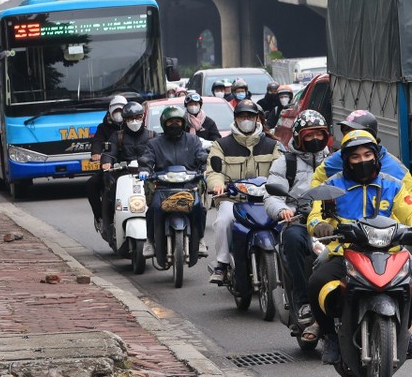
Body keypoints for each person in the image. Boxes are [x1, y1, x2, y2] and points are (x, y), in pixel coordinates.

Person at [306, 130, 412, 364]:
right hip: (344, 253)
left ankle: (407, 330)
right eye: (355, 157)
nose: (362, 160)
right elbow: (314, 216)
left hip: (388, 252)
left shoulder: (392, 185)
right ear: (346, 160)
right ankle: (330, 336)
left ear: (376, 156)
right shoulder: (331, 187)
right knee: (316, 282)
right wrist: (320, 225)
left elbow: (409, 211)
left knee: (411, 277)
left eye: (367, 154)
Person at [265, 109, 331, 345]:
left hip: (330, 224)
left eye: (319, 134)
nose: (314, 139)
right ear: (298, 137)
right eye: (309, 135)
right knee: (291, 240)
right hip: (299, 221)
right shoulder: (286, 162)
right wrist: (282, 209)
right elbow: (271, 193)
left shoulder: (334, 160)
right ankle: (303, 302)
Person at [204, 99, 281, 284]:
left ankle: (283, 262)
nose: (246, 119)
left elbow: (280, 170)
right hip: (233, 199)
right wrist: (217, 185)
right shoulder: (221, 145)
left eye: (250, 116)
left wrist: (280, 187)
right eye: (242, 116)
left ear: (257, 119)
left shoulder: (271, 145)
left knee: (283, 223)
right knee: (223, 221)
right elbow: (213, 170)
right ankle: (221, 264)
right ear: (236, 119)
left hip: (265, 199)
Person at [140, 106, 208, 269]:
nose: (174, 124)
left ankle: (199, 240)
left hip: (189, 186)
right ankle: (150, 240)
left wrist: (206, 167)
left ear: (184, 122)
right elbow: (147, 159)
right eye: (171, 121)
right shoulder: (154, 143)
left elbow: (201, 157)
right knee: (153, 208)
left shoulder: (193, 140)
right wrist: (144, 169)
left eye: (178, 121)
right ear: (164, 123)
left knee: (200, 208)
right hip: (163, 187)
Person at [310, 110, 412, 195]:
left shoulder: (395, 168)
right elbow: (318, 180)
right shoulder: (337, 159)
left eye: (367, 155)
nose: (349, 136)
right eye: (346, 131)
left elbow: (411, 203)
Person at [99, 102, 155, 243]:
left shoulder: (152, 136)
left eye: (137, 117)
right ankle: (108, 225)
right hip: (123, 175)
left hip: (147, 175)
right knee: (108, 190)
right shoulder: (117, 137)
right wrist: (107, 162)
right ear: (125, 120)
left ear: (143, 117)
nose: (134, 122)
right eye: (130, 119)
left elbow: (160, 154)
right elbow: (109, 152)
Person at [87, 96, 129, 231]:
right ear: (110, 111)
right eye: (115, 111)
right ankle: (100, 217)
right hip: (111, 167)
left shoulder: (134, 126)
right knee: (92, 184)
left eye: (121, 110)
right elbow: (97, 142)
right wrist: (97, 153)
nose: (119, 114)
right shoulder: (103, 127)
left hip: (132, 167)